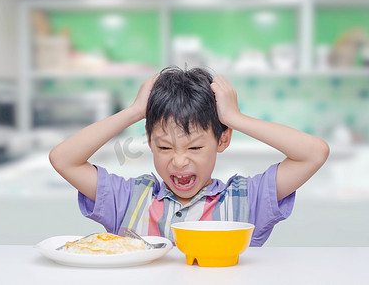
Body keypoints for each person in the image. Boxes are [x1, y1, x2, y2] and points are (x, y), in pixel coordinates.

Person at [49, 66, 329, 246]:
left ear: (223, 139)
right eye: (164, 148)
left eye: (194, 148)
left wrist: (235, 117)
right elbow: (63, 159)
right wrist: (135, 111)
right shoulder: (128, 198)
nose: (179, 161)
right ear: (149, 143)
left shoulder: (246, 199)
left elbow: (314, 153)